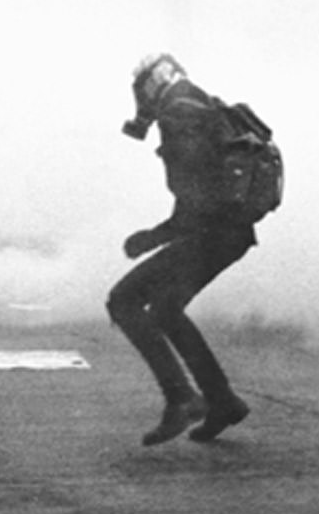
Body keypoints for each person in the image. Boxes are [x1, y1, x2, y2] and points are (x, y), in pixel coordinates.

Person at [106, 53, 256, 446]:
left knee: (123, 300)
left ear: (151, 84)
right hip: (229, 233)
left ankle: (182, 399)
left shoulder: (180, 112)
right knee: (166, 309)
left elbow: (194, 197)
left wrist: (153, 237)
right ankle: (221, 401)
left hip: (212, 233)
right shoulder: (200, 102)